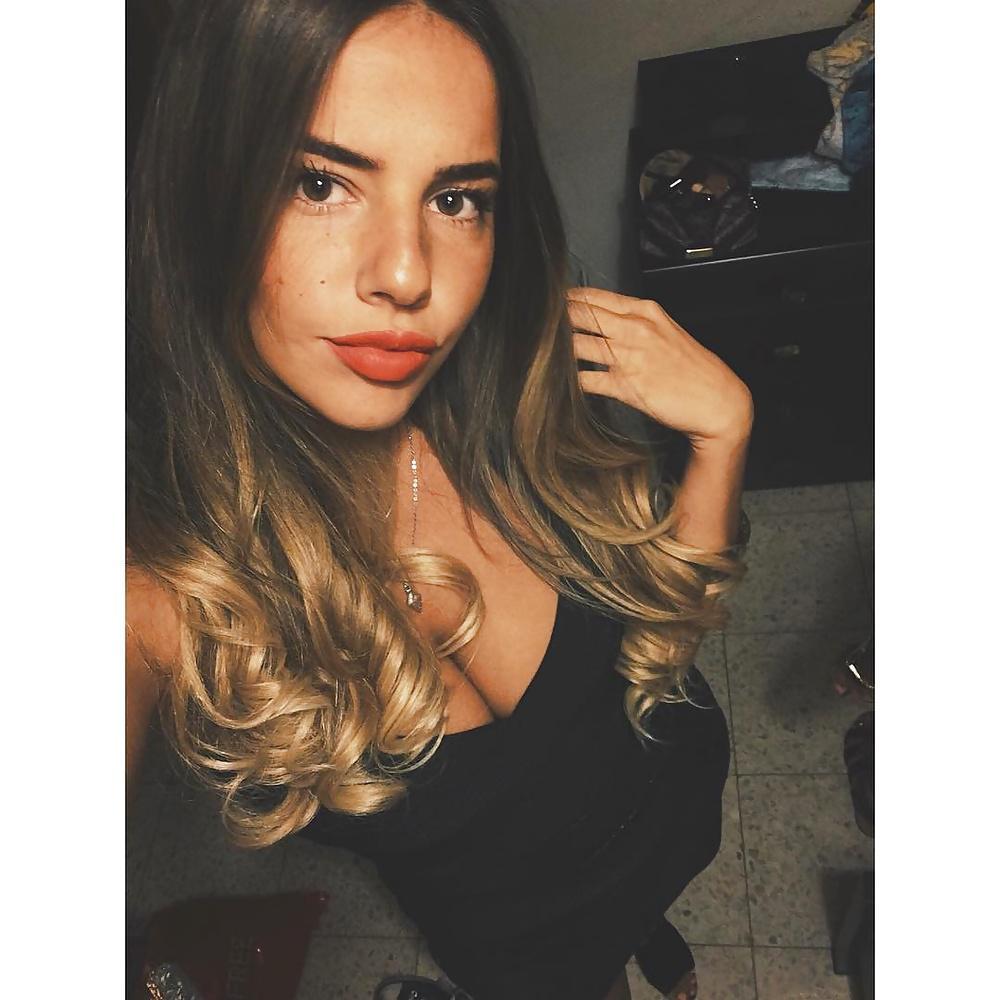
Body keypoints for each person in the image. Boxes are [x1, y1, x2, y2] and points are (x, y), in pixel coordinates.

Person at [125, 2, 753, 998]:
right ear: (202, 198)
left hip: (675, 814)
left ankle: (651, 935)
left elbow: (671, 634)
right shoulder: (160, 584)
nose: (408, 274)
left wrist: (722, 437)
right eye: (319, 182)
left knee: (650, 913)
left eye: (457, 199)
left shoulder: (517, 386)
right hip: (528, 953)